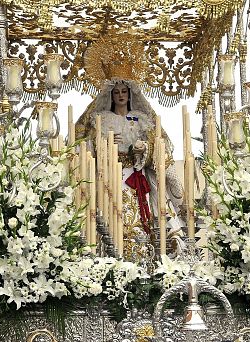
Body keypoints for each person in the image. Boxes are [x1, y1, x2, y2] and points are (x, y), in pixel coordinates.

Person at [75, 79, 184, 260]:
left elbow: (158, 144)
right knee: (109, 213)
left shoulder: (141, 118)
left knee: (141, 216)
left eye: (123, 92)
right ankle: (109, 253)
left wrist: (145, 148)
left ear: (130, 94)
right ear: (110, 95)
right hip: (109, 176)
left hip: (135, 174)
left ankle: (141, 254)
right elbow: (85, 147)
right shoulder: (100, 119)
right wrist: (104, 144)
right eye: (116, 92)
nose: (120, 96)